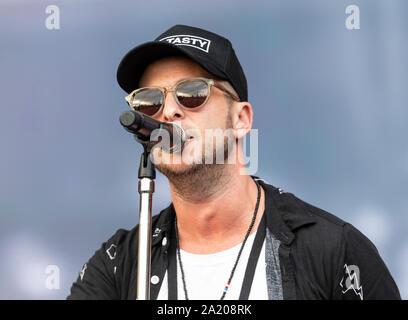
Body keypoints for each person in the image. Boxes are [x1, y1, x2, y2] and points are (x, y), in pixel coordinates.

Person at [67, 24, 401, 300]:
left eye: (192, 93)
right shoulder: (119, 264)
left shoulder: (331, 249)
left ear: (240, 118)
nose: (168, 111)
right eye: (150, 101)